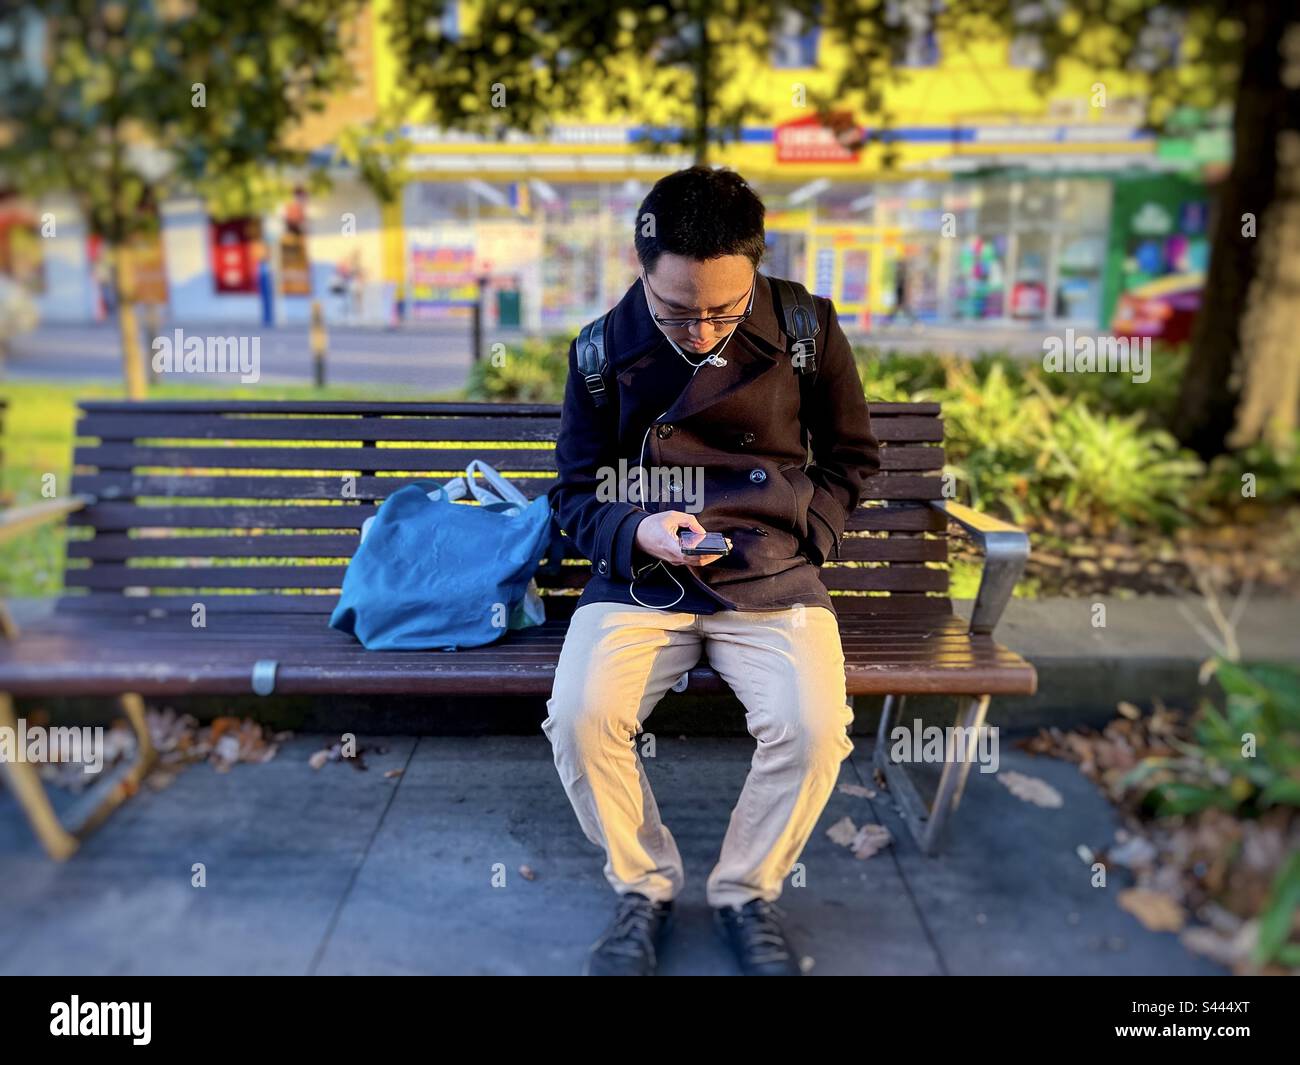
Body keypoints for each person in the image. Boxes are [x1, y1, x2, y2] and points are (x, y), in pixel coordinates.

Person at [543, 166, 880, 976]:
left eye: (724, 311)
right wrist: (636, 528)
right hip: (639, 577)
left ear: (755, 269)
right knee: (581, 719)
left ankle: (744, 890)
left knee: (813, 728)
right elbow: (572, 492)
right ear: (640, 268)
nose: (701, 331)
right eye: (677, 312)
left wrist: (808, 535)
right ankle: (643, 882)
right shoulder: (599, 350)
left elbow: (851, 458)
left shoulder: (806, 325)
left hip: (770, 574)